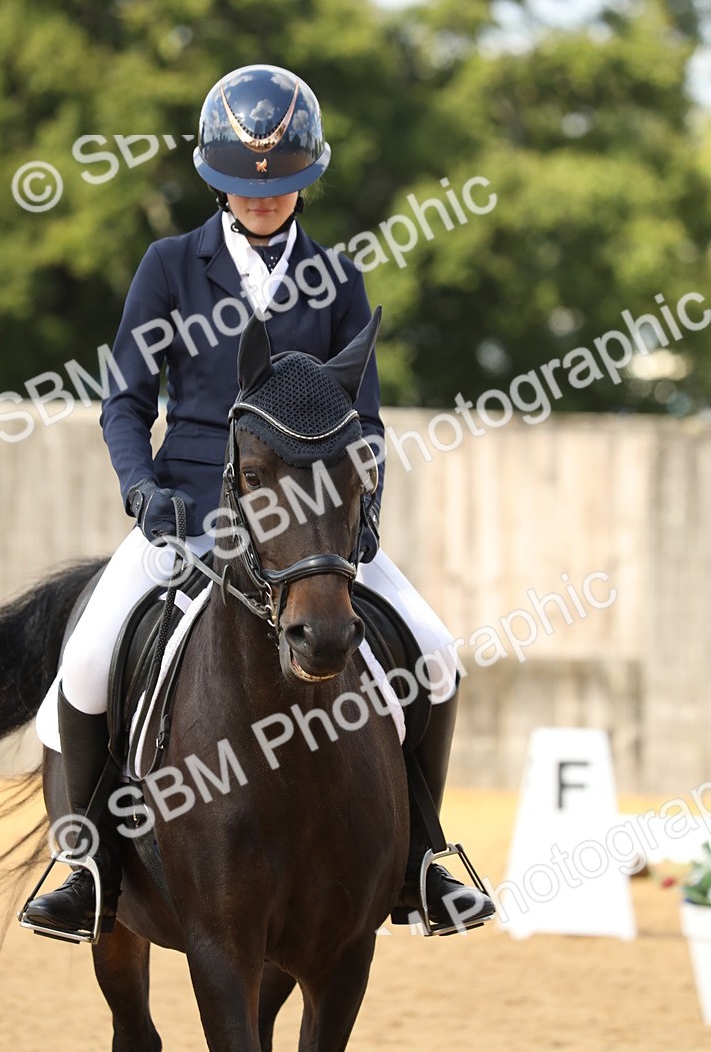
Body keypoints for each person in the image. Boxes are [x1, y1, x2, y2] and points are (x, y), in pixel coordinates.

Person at [24, 64, 495, 938]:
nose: (263, 200)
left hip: (310, 526)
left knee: (434, 651)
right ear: (216, 180)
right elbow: (126, 401)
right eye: (244, 186)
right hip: (188, 516)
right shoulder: (170, 266)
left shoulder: (339, 278)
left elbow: (366, 422)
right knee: (86, 662)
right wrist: (141, 490)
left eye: (279, 187)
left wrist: (363, 512)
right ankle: (87, 866)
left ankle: (423, 860)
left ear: (307, 181)